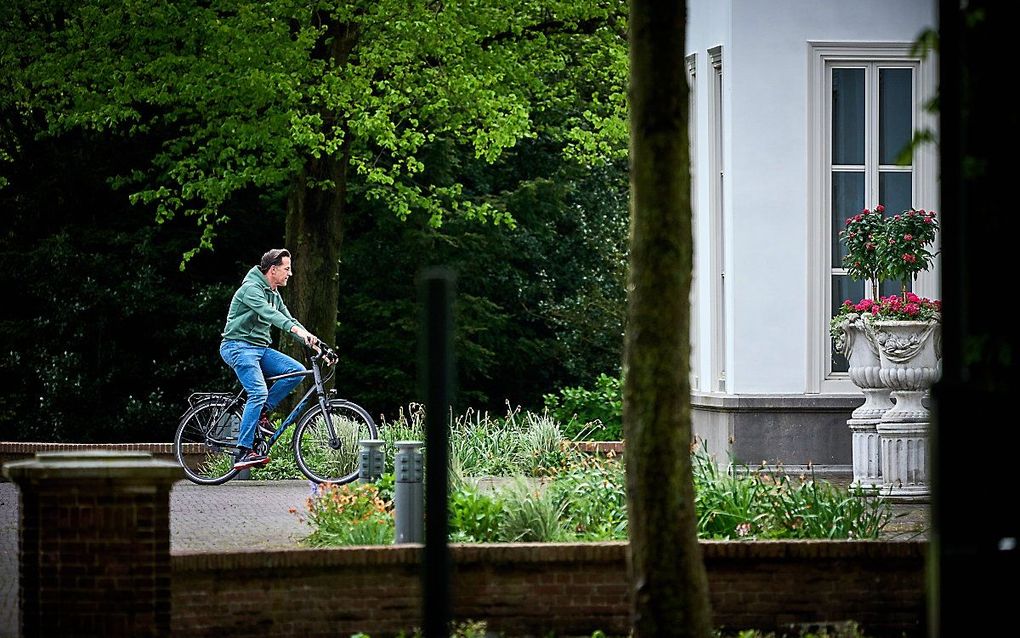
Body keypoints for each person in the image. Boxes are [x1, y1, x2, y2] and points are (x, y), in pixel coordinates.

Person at [219, 248, 320, 470]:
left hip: (259, 349)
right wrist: (297, 331)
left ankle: (262, 411)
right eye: (287, 269)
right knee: (257, 391)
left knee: (296, 371)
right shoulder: (251, 290)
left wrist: (317, 344)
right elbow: (271, 316)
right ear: (273, 270)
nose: (290, 274)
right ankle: (243, 452)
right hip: (237, 347)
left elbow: (288, 318)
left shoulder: (273, 293)